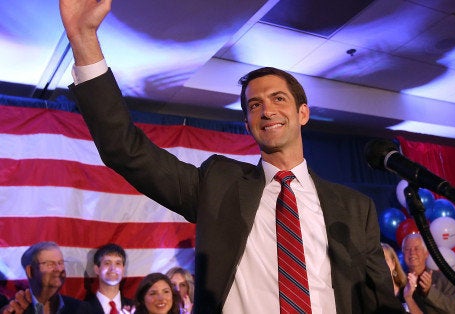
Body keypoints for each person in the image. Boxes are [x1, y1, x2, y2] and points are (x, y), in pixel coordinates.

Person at [58, 0, 403, 313]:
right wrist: (83, 38)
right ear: (248, 123)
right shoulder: (217, 185)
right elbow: (126, 150)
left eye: (278, 99)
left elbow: (379, 301)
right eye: (255, 105)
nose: (267, 110)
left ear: (303, 113)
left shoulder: (355, 208)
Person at [0, 241, 92, 314]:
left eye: (60, 263)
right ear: (30, 271)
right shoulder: (11, 309)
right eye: (50, 264)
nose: (59, 269)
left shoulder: (83, 309)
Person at [402, 233, 455, 314]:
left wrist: (430, 292)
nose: (412, 252)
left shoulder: (443, 280)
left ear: (426, 253)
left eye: (416, 248)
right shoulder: (398, 280)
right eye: (407, 249)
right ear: (403, 254)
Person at [85, 243, 134, 314]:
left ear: (123, 270)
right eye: (107, 263)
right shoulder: (81, 309)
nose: (113, 268)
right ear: (97, 269)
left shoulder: (135, 309)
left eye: (118, 263)